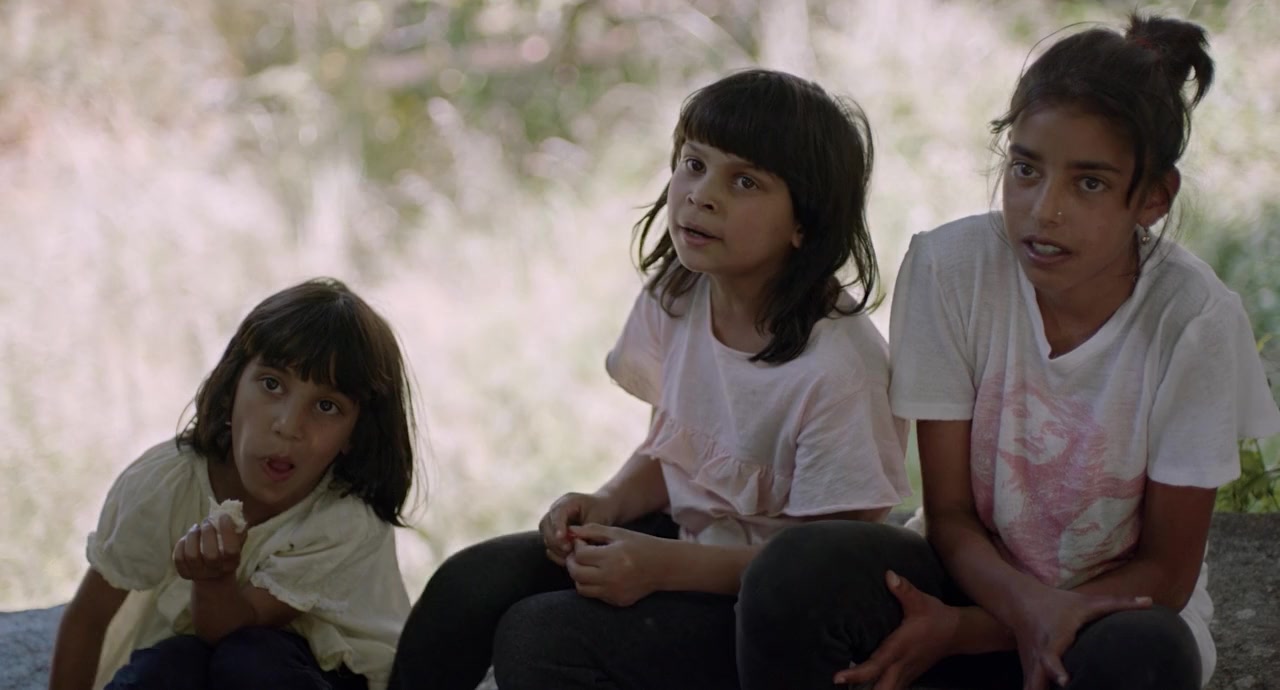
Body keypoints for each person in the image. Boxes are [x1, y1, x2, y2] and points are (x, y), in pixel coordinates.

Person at [737, 13, 1280, 690]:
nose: (1044, 210)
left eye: (1089, 183)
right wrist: (999, 611)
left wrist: (969, 633)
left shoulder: (1195, 321)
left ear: (1152, 198)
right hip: (964, 581)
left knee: (1147, 657)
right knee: (795, 574)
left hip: (1103, 617)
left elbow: (1167, 572)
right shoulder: (950, 269)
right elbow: (951, 516)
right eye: (1025, 169)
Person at [390, 68, 910, 690]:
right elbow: (679, 447)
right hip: (683, 542)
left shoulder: (839, 372)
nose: (701, 195)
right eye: (694, 164)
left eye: (744, 181)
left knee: (540, 638)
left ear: (807, 222)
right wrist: (608, 502)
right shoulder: (681, 294)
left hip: (773, 614)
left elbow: (816, 573)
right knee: (470, 585)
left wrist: (663, 567)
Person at [48, 278, 419, 690]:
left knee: (250, 658)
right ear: (231, 388)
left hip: (334, 675)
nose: (288, 425)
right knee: (171, 664)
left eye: (327, 406)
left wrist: (214, 579)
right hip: (214, 653)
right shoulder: (165, 484)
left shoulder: (344, 519)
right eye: (272, 384)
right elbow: (89, 618)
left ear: (355, 433)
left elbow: (235, 633)